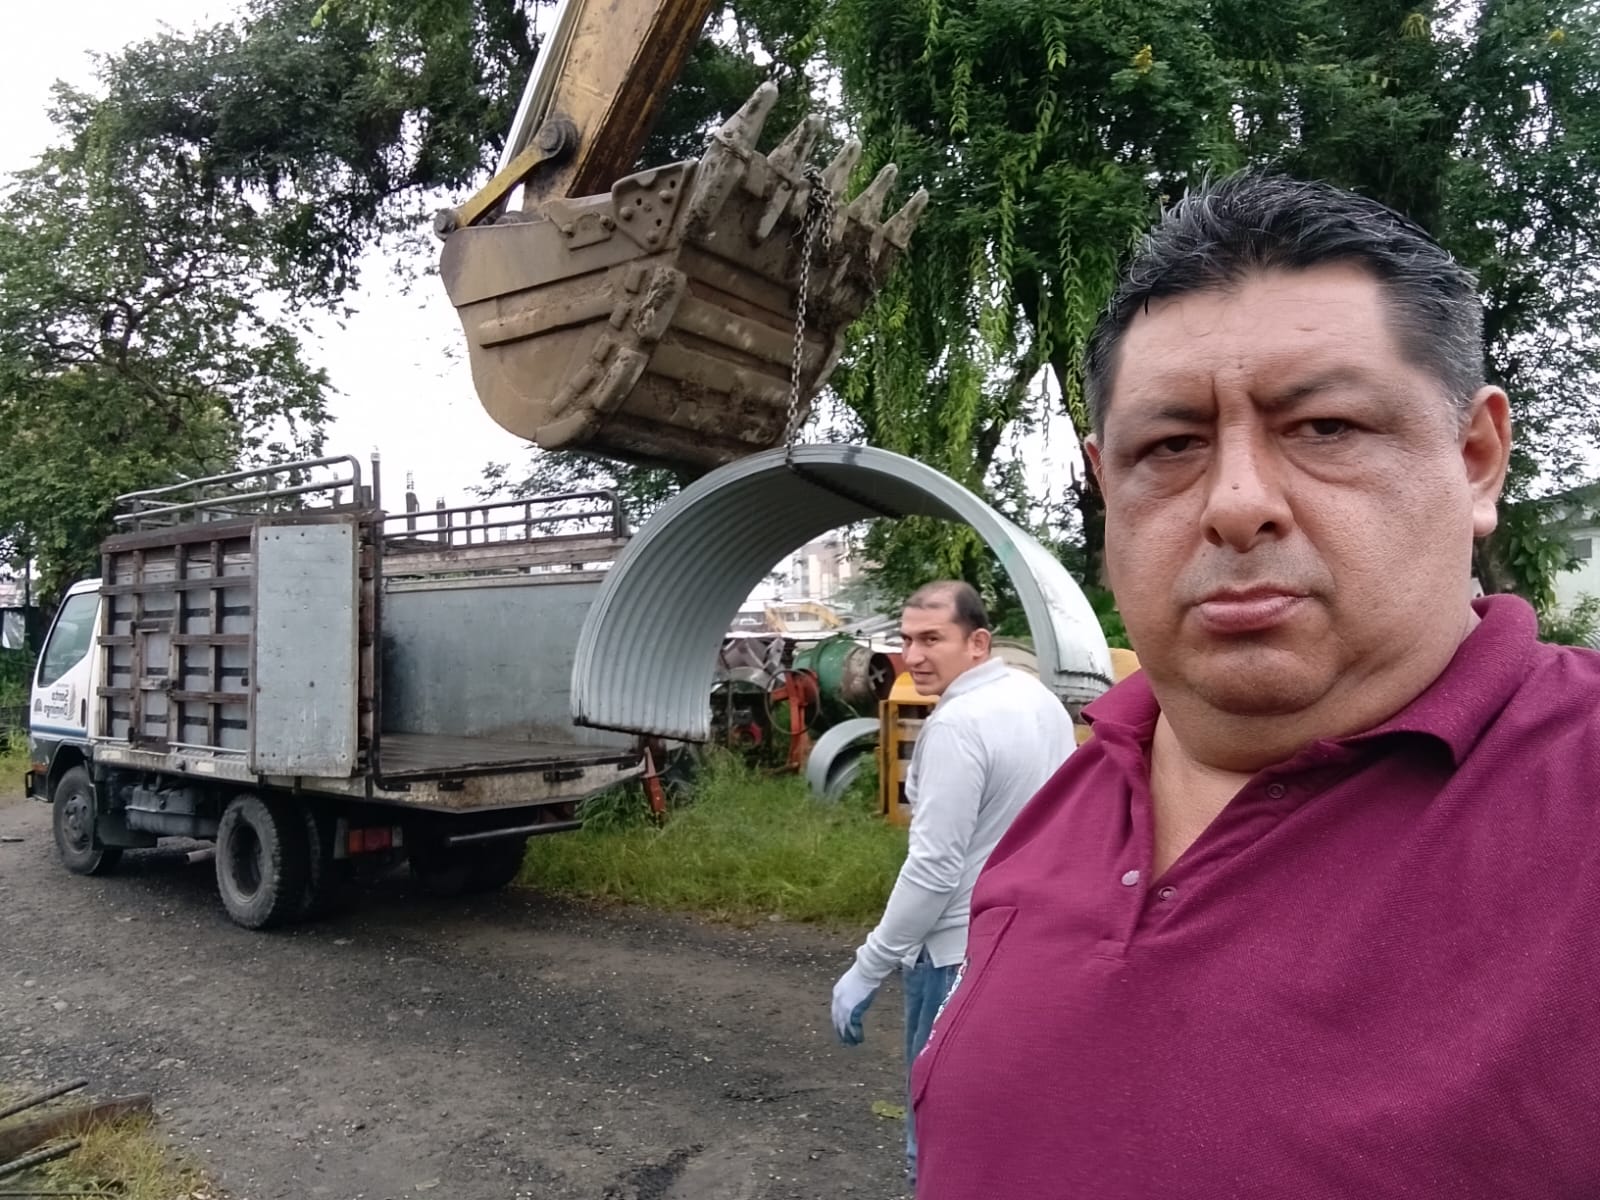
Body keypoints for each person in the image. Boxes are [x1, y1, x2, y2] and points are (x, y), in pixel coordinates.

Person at [910, 168, 1600, 1198]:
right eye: (1171, 446)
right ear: (1106, 489)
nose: (1235, 504)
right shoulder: (1069, 798)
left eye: (1324, 428)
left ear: (1474, 458)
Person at [829, 580, 1075, 1188]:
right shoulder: (1038, 700)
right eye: (906, 640)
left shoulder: (957, 725)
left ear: (977, 642)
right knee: (1010, 1131)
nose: (913, 657)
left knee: (939, 1138)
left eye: (931, 639)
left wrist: (868, 966)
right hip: (1032, 943)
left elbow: (934, 868)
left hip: (953, 957)